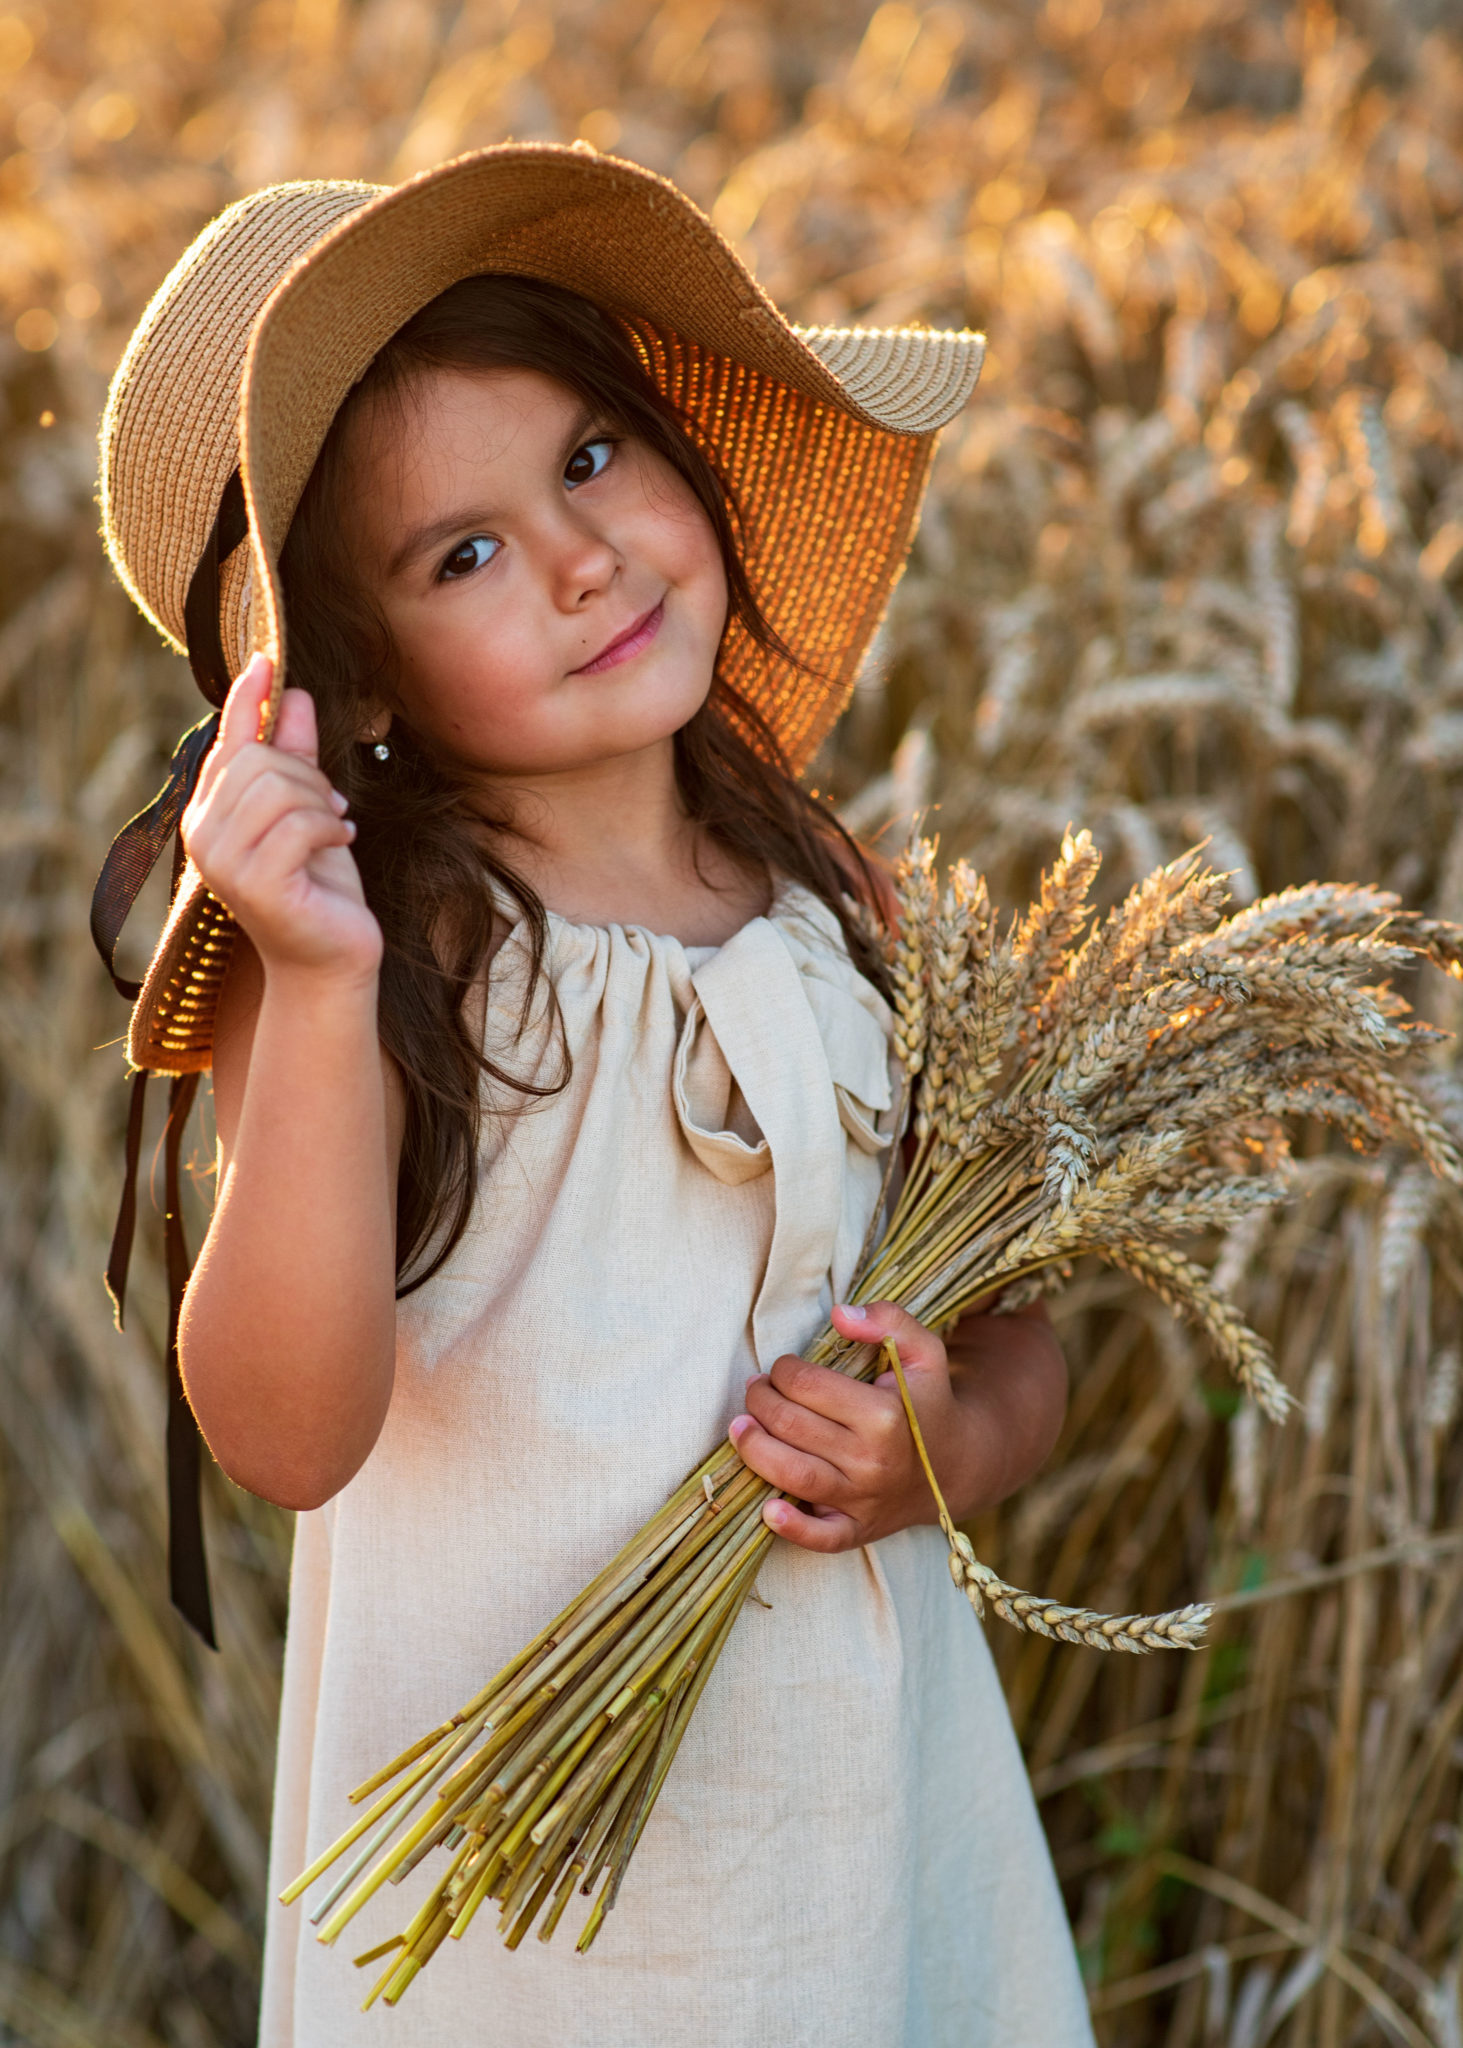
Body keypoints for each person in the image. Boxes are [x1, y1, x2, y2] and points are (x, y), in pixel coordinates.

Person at [98, 146, 1095, 2048]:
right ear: (359, 681)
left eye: (585, 460)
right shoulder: (381, 963)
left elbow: (1016, 1326)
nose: (576, 559)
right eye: (459, 555)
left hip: (847, 1829)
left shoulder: (833, 914)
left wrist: (949, 1450)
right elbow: (286, 1437)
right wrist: (306, 982)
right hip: (529, 1921)